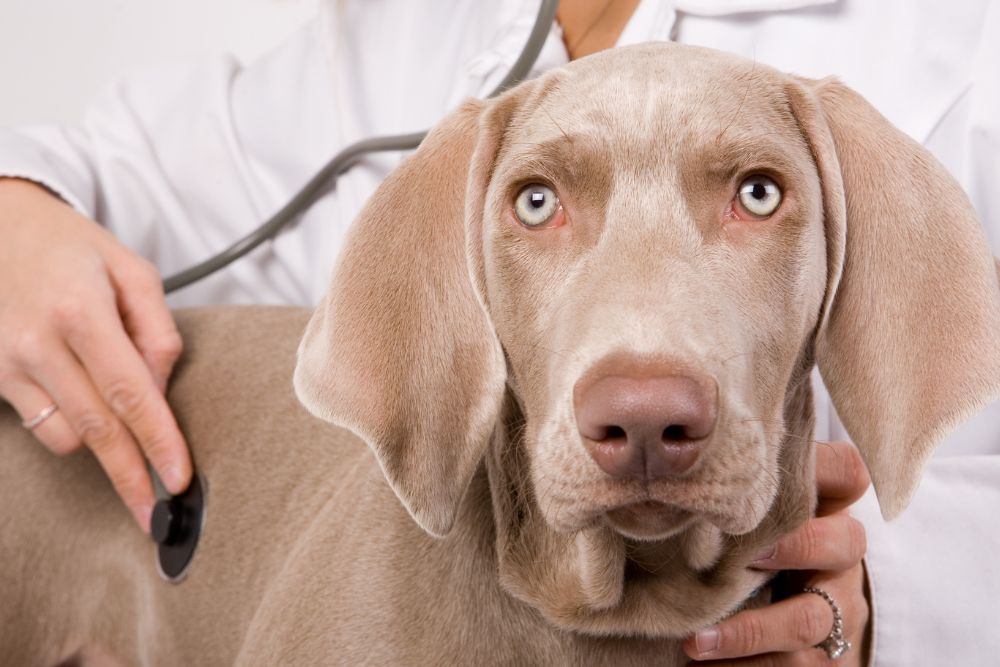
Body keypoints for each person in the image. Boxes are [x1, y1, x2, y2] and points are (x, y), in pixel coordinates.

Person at [1, 1, 997, 664]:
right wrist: (16, 207)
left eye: (756, 191)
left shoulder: (960, 51)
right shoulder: (416, 24)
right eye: (534, 203)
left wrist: (892, 594)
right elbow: (134, 164)